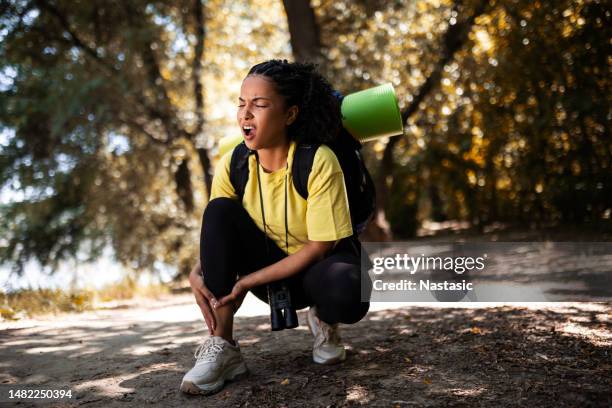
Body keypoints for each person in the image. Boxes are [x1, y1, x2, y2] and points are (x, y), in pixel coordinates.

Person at [180, 59, 372, 395]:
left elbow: (318, 248)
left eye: (260, 104)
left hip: (316, 271)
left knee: (348, 290)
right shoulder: (233, 164)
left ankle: (324, 320)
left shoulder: (318, 160)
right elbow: (220, 232)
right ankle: (222, 347)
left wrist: (246, 282)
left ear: (290, 115)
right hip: (268, 271)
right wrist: (198, 271)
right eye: (242, 104)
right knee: (219, 210)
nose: (246, 114)